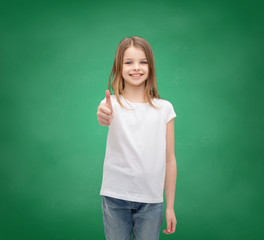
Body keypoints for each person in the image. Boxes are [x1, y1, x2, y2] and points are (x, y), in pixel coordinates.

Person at [97, 36, 177, 240]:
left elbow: (170, 159)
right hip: (115, 197)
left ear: (150, 66)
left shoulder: (164, 108)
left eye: (143, 62)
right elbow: (103, 116)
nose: (136, 68)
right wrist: (103, 115)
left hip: (151, 200)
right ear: (119, 67)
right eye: (128, 62)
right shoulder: (111, 104)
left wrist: (170, 207)